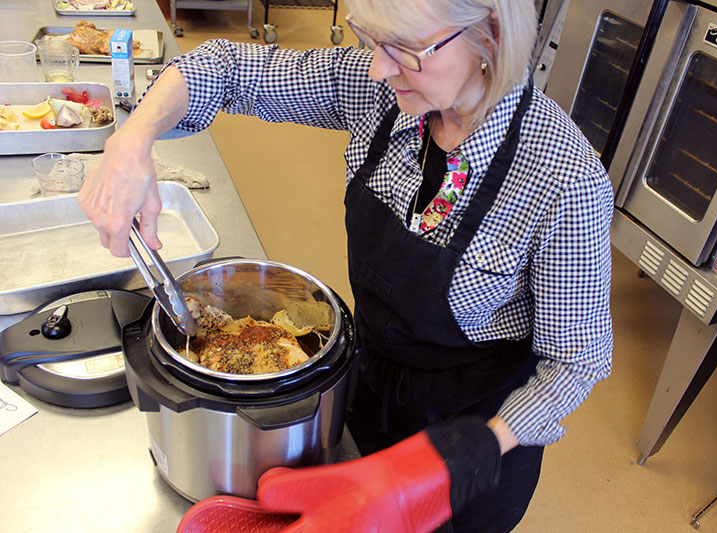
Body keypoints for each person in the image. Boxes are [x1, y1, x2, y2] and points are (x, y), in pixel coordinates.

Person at [78, 0, 614, 531]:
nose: (379, 67)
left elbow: (577, 363)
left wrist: (479, 444)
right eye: (371, 39)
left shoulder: (565, 179)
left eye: (404, 48)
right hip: (366, 387)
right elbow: (223, 67)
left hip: (469, 437)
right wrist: (132, 139)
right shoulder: (381, 89)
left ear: (489, 36)